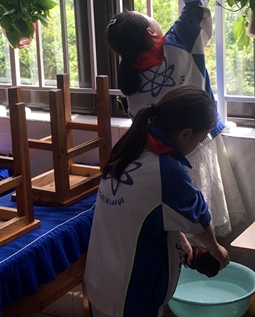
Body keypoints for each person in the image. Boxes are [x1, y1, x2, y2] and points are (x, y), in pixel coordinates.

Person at [105, 0, 246, 237]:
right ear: (152, 33)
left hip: (159, 167)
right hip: (199, 150)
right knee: (205, 228)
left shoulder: (128, 83)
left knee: (178, 241)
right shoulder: (179, 43)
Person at [85, 85, 230, 317]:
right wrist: (216, 250)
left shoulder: (130, 147)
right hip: (132, 292)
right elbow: (199, 220)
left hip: (102, 280)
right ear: (185, 134)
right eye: (200, 139)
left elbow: (144, 208)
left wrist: (180, 237)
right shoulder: (167, 172)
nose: (198, 146)